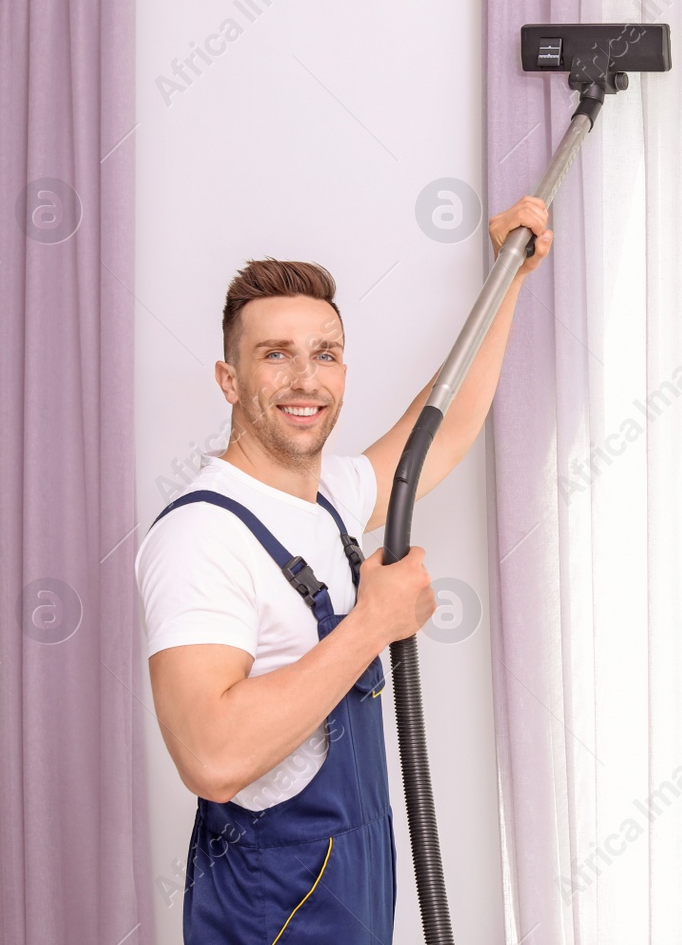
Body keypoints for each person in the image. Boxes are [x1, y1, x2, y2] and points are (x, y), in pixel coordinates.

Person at [135, 196, 552, 943]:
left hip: (352, 886)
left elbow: (446, 423)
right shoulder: (202, 535)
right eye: (276, 354)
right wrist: (371, 625)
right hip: (271, 911)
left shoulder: (329, 497)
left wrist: (509, 273)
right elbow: (212, 755)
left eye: (323, 353)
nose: (305, 379)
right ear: (229, 379)